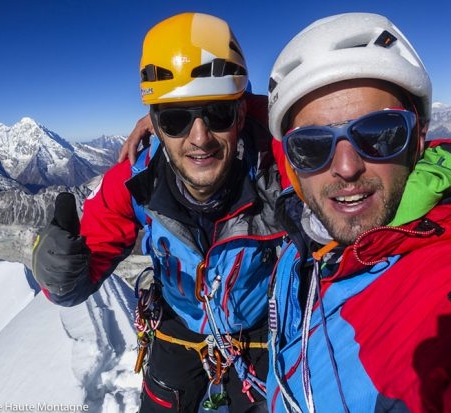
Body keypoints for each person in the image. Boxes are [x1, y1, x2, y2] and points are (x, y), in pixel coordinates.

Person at [264, 12, 451, 413]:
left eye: (379, 134)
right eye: (311, 146)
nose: (346, 167)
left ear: (418, 138)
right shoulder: (308, 245)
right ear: (292, 162)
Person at [32, 12, 285, 413]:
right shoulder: (135, 180)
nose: (199, 138)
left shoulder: (282, 163)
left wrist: (267, 111)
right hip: (179, 323)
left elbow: (371, 170)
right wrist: (60, 275)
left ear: (240, 114)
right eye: (176, 118)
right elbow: (84, 267)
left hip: (261, 329)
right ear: (154, 123)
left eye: (217, 113)